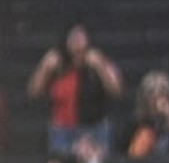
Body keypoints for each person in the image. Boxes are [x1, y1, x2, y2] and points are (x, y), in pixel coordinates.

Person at [27, 24, 124, 155]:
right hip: (63, 131)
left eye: (81, 37)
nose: (77, 42)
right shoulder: (57, 65)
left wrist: (101, 67)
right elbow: (34, 91)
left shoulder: (98, 61)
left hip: (94, 129)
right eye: (74, 38)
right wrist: (45, 68)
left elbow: (116, 91)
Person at [122, 69, 169, 159]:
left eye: (164, 92)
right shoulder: (135, 123)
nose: (159, 99)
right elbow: (131, 157)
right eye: (153, 94)